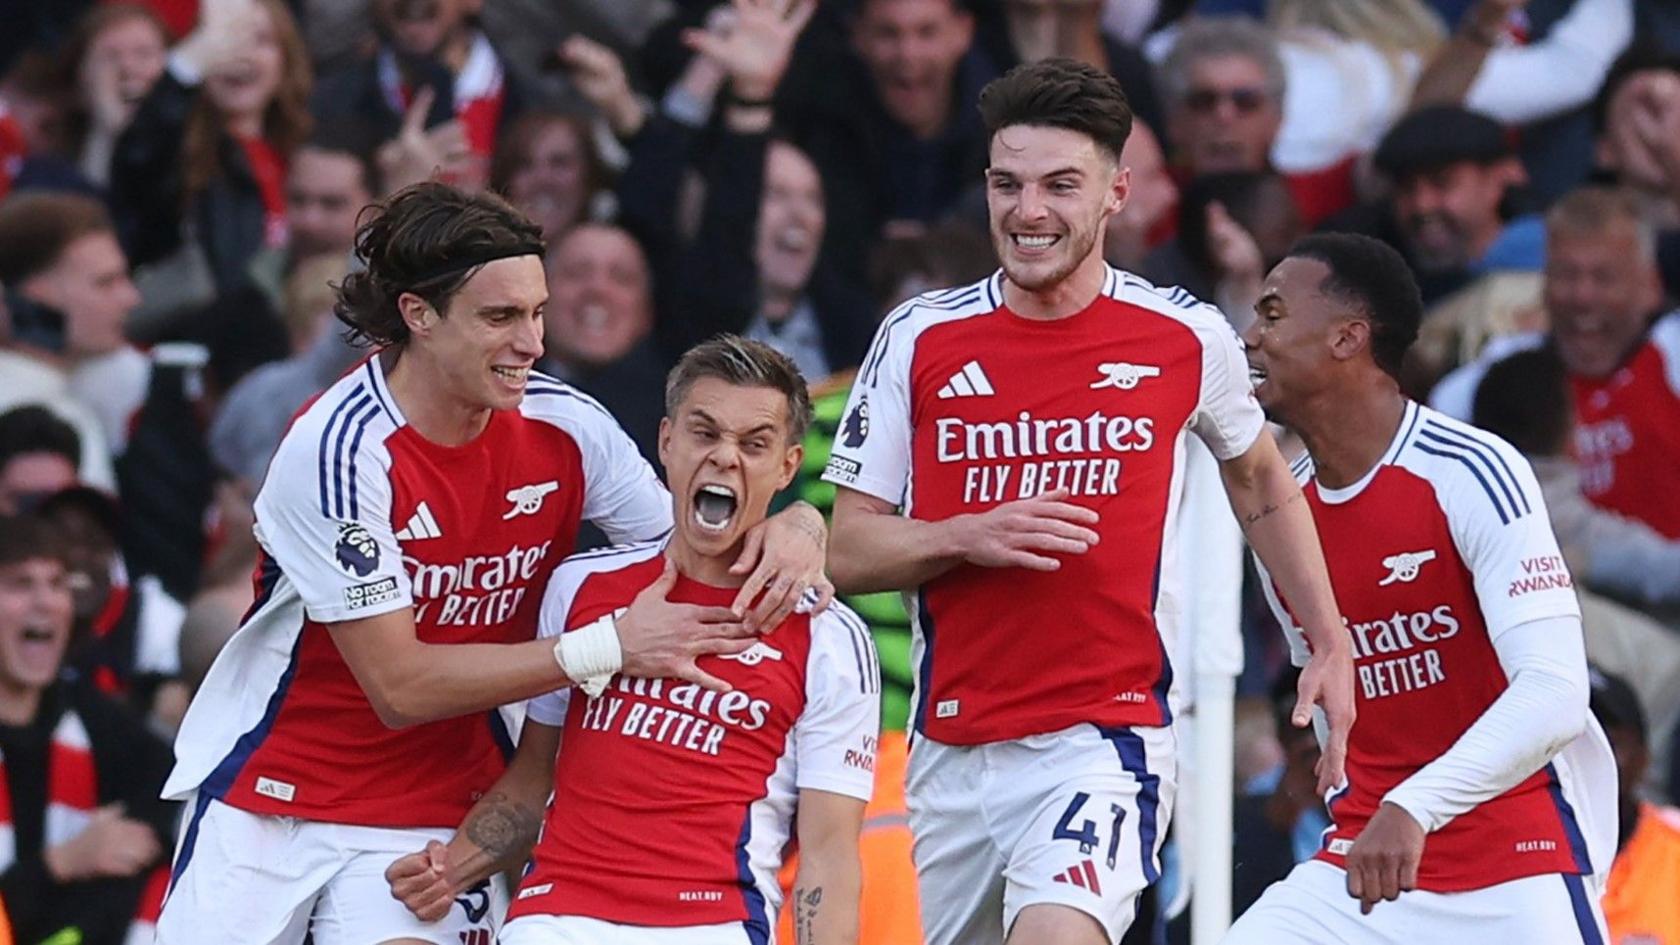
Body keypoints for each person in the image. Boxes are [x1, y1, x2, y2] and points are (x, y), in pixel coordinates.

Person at [154, 182, 832, 945]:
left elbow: (689, 544)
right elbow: (400, 686)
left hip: (437, 811)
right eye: (501, 317)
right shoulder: (339, 449)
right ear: (419, 315)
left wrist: (802, 522)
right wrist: (609, 645)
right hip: (275, 797)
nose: (534, 343)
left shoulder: (568, 426)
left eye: (537, 312)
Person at [823, 57, 1354, 945]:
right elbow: (849, 550)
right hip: (949, 746)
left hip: (1102, 738)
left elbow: (1261, 476)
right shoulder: (920, 336)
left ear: (1117, 193)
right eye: (1008, 184)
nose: (1028, 211)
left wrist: (1328, 639)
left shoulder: (1184, 336)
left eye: (1060, 185)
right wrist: (967, 533)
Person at [384, 335, 879, 943]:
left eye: (754, 444)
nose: (726, 458)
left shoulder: (829, 635)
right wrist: (449, 869)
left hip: (709, 923)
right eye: (705, 434)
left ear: (787, 465)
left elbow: (829, 857)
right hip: (557, 916)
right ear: (666, 442)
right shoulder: (580, 586)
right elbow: (535, 775)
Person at [1225, 232, 1616, 943]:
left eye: (1274, 313)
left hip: (1513, 862)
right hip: (1363, 865)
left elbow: (1557, 690)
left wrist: (1415, 805)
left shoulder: (1473, 470)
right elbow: (1327, 700)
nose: (1251, 338)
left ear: (1348, 337)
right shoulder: (1282, 518)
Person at [0, 511, 177, 945]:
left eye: (57, 584)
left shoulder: (96, 720)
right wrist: (62, 863)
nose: (46, 602)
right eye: (21, 584)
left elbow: (170, 792)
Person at [1593, 666, 1680, 945]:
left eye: (1607, 740)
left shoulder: (1673, 848)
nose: (1587, 758)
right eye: (1571, 740)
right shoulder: (1500, 846)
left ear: (1644, 760)